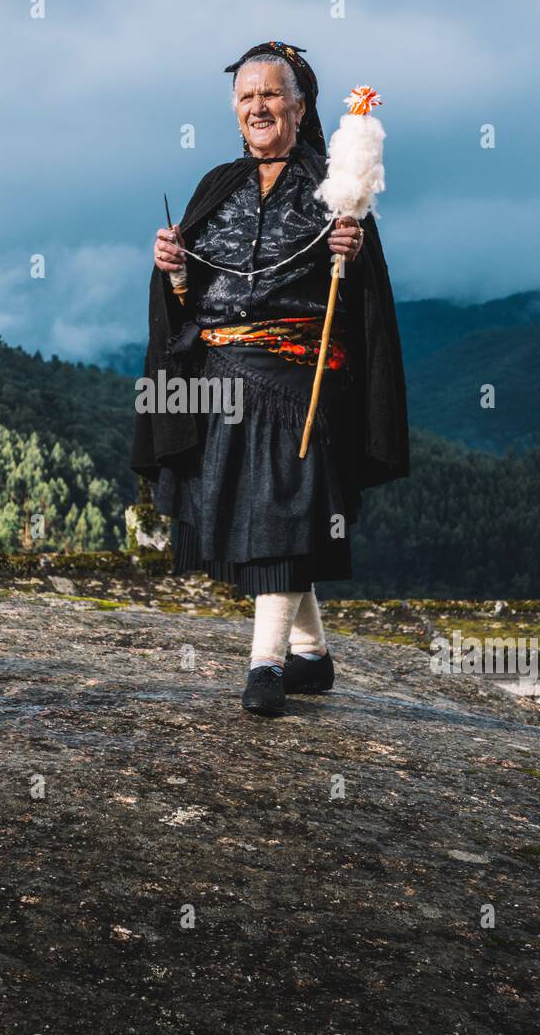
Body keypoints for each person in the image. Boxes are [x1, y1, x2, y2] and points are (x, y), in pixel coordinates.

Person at [131, 40, 409, 716]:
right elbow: (186, 294)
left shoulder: (332, 185)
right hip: (218, 377)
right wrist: (170, 265)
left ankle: (267, 666)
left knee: (281, 514)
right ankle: (313, 655)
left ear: (300, 105)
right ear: (235, 109)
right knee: (261, 520)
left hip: (299, 378)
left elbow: (360, 291)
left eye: (272, 93)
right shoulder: (214, 186)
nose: (259, 105)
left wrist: (355, 246)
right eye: (247, 95)